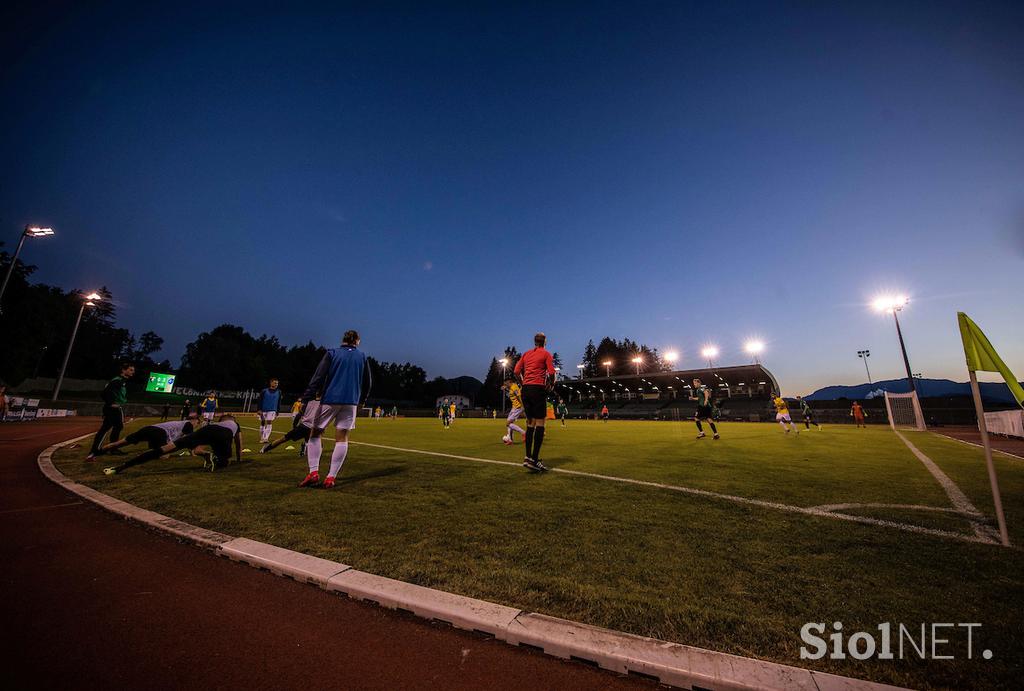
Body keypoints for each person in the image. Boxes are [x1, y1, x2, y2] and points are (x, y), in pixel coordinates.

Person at [297, 330, 371, 489]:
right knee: (342, 437)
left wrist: (306, 398)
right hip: (351, 402)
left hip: (331, 398)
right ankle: (331, 477)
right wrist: (361, 401)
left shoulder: (332, 353)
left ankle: (314, 472)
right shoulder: (363, 356)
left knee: (315, 433)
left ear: (343, 340)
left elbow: (318, 377)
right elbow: (367, 383)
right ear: (357, 341)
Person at [104, 413, 242, 475]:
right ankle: (216, 459)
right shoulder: (234, 424)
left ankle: (120, 467)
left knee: (164, 449)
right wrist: (239, 459)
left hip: (206, 431)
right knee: (225, 462)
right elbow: (238, 443)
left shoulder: (215, 424)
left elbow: (199, 444)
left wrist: (199, 450)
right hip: (224, 435)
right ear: (233, 419)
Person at [513, 332, 556, 471]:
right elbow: (551, 372)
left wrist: (523, 382)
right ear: (545, 342)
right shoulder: (546, 354)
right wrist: (552, 384)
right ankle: (535, 460)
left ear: (534, 342)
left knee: (530, 423)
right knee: (540, 423)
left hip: (526, 389)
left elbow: (516, 371)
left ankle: (527, 457)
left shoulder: (526, 354)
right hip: (538, 389)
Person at [86, 362, 135, 460]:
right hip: (112, 409)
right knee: (105, 429)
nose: (133, 372)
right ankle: (94, 451)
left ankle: (113, 448)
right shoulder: (118, 380)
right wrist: (111, 403)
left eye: (133, 370)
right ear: (123, 370)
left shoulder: (122, 381)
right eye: (130, 370)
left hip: (116, 408)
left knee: (118, 426)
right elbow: (105, 392)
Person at [95, 414, 197, 456]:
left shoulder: (179, 423)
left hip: (149, 429)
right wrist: (193, 452)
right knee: (163, 455)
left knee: (121, 442)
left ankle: (97, 452)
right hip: (160, 433)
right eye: (197, 422)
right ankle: (142, 457)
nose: (197, 424)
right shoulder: (188, 424)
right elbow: (190, 439)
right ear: (193, 420)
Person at [256, 378, 282, 443]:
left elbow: (279, 402)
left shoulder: (279, 392)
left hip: (272, 410)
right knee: (262, 422)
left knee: (269, 422)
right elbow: (259, 400)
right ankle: (262, 437)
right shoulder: (264, 391)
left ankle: (266, 438)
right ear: (271, 383)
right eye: (275, 383)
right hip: (263, 410)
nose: (276, 384)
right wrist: (259, 409)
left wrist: (277, 411)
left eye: (277, 383)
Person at [502, 378, 526, 444]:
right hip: (514, 407)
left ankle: (523, 433)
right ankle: (510, 439)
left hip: (518, 407)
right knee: (509, 423)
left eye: (505, 383)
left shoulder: (514, 387)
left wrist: (522, 406)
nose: (505, 384)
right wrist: (506, 389)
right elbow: (512, 393)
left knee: (508, 423)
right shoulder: (511, 387)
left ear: (509, 382)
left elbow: (519, 396)